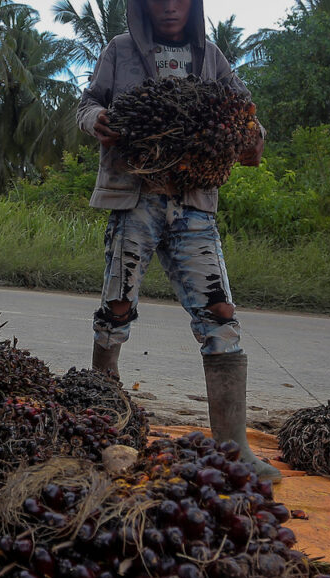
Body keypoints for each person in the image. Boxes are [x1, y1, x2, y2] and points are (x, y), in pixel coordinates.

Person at [76, 0, 279, 480]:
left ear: (193, 5)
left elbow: (247, 115)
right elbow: (87, 104)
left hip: (192, 204)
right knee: (116, 308)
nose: (169, 6)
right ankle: (105, 424)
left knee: (220, 315)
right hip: (135, 198)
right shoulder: (119, 50)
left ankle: (233, 447)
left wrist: (253, 137)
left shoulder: (210, 57)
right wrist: (97, 119)